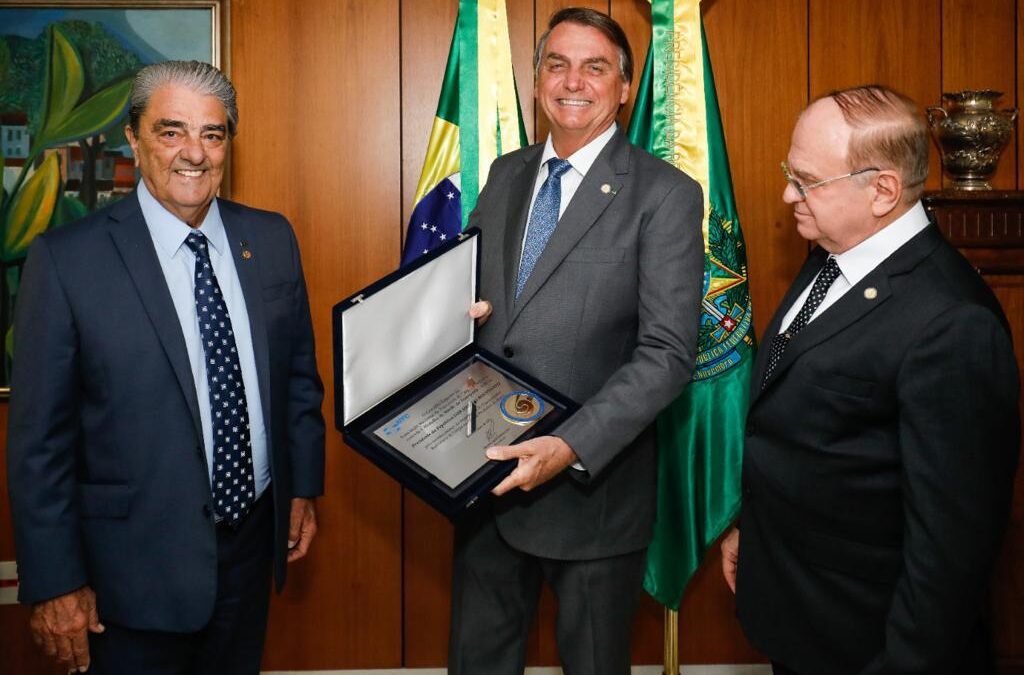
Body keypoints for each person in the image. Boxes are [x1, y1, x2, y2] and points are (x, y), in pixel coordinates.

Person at [7, 60, 325, 675]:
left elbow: (297, 380)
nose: (195, 154)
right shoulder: (67, 261)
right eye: (171, 131)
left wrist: (302, 488)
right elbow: (38, 443)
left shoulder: (272, 239)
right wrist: (54, 582)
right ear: (134, 136)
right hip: (127, 578)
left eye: (212, 134)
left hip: (250, 554)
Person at [721, 84, 1020, 675]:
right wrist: (751, 527)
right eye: (791, 171)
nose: (787, 194)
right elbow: (802, 424)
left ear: (882, 190)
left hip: (868, 644)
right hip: (799, 610)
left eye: (806, 180)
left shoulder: (953, 324)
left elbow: (950, 553)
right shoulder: (834, 252)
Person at [452, 8, 704, 673]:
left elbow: (668, 353)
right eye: (557, 64)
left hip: (593, 496)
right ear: (536, 81)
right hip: (487, 479)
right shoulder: (506, 174)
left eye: (595, 67)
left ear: (624, 88)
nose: (573, 81)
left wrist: (568, 445)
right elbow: (481, 306)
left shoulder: (665, 194)